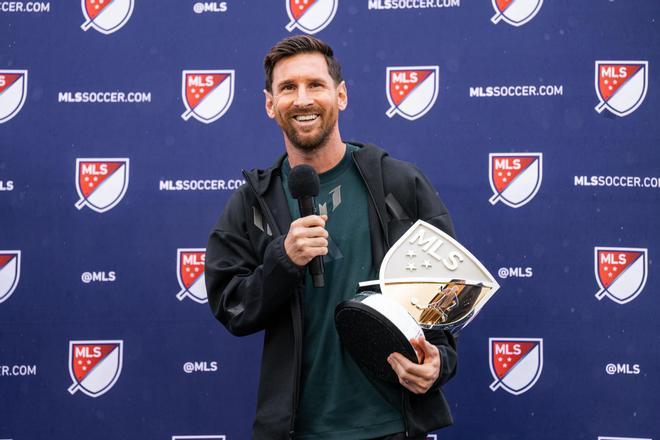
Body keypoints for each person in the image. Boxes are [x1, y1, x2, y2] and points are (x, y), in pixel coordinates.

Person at [205, 35, 457, 440]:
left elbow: (444, 295)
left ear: (341, 95)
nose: (302, 99)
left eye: (315, 85)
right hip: (300, 431)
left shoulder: (398, 183)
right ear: (270, 104)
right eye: (288, 87)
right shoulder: (253, 202)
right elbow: (231, 306)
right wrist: (283, 260)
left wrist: (439, 362)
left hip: (392, 425)